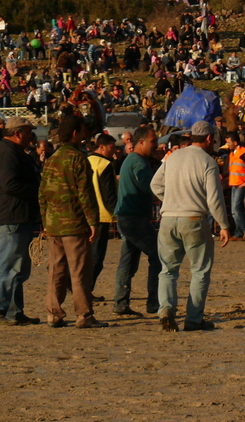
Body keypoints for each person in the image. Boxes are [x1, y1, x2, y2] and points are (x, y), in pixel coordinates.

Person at [151, 120, 232, 331]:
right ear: (208, 139)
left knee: (167, 270)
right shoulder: (208, 162)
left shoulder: (173, 157)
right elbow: (215, 198)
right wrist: (223, 224)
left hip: (168, 218)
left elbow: (155, 184)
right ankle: (193, 319)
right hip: (194, 219)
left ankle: (166, 310)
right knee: (200, 271)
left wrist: (169, 199)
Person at [39, 114, 107, 329]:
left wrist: (45, 221)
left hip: (54, 225)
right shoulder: (78, 159)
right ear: (76, 133)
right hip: (75, 225)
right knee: (79, 271)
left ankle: (53, 314)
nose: (87, 134)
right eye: (84, 131)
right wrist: (93, 222)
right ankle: (84, 315)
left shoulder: (51, 159)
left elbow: (42, 195)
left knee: (56, 270)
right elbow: (85, 194)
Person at [0, 117, 42, 325]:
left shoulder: (14, 152)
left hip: (18, 216)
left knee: (19, 268)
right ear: (18, 133)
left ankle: (14, 311)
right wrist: (38, 191)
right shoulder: (7, 153)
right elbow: (10, 185)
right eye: (28, 132)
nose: (31, 136)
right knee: (8, 265)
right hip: (11, 216)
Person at [113, 126, 162, 318]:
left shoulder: (131, 160)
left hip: (126, 217)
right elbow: (151, 186)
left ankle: (121, 301)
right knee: (157, 255)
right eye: (153, 142)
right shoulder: (139, 163)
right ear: (141, 142)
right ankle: (153, 302)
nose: (156, 145)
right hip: (134, 218)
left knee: (127, 261)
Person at [87, 133, 119, 298]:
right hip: (101, 215)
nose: (114, 151)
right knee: (97, 257)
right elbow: (109, 193)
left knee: (84, 254)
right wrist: (117, 212)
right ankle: (87, 290)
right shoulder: (105, 164)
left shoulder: (87, 160)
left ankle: (80, 287)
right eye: (111, 147)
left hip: (85, 214)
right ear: (101, 147)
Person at [223, 132, 245, 241]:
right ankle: (239, 232)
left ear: (235, 142)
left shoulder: (244, 153)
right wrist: (223, 176)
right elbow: (232, 169)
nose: (227, 144)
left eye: (229, 142)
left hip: (241, 184)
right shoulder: (232, 154)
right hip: (234, 183)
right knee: (235, 210)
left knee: (236, 208)